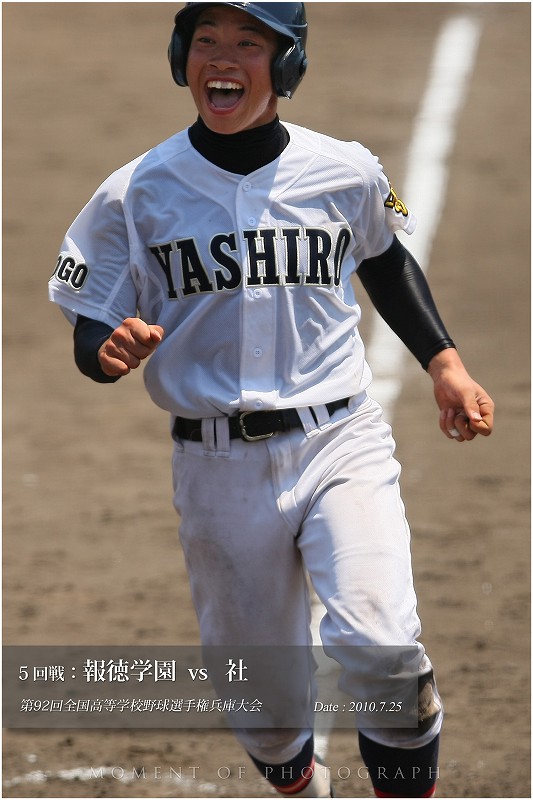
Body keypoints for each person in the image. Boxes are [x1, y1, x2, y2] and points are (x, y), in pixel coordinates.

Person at [49, 3, 495, 797]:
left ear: (285, 65)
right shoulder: (133, 194)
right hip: (215, 466)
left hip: (340, 440)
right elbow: (93, 321)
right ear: (182, 55)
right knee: (265, 715)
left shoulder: (346, 169)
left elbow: (385, 262)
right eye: (207, 42)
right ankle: (302, 783)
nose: (223, 60)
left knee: (383, 651)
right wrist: (103, 352)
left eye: (247, 44)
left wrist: (444, 364)